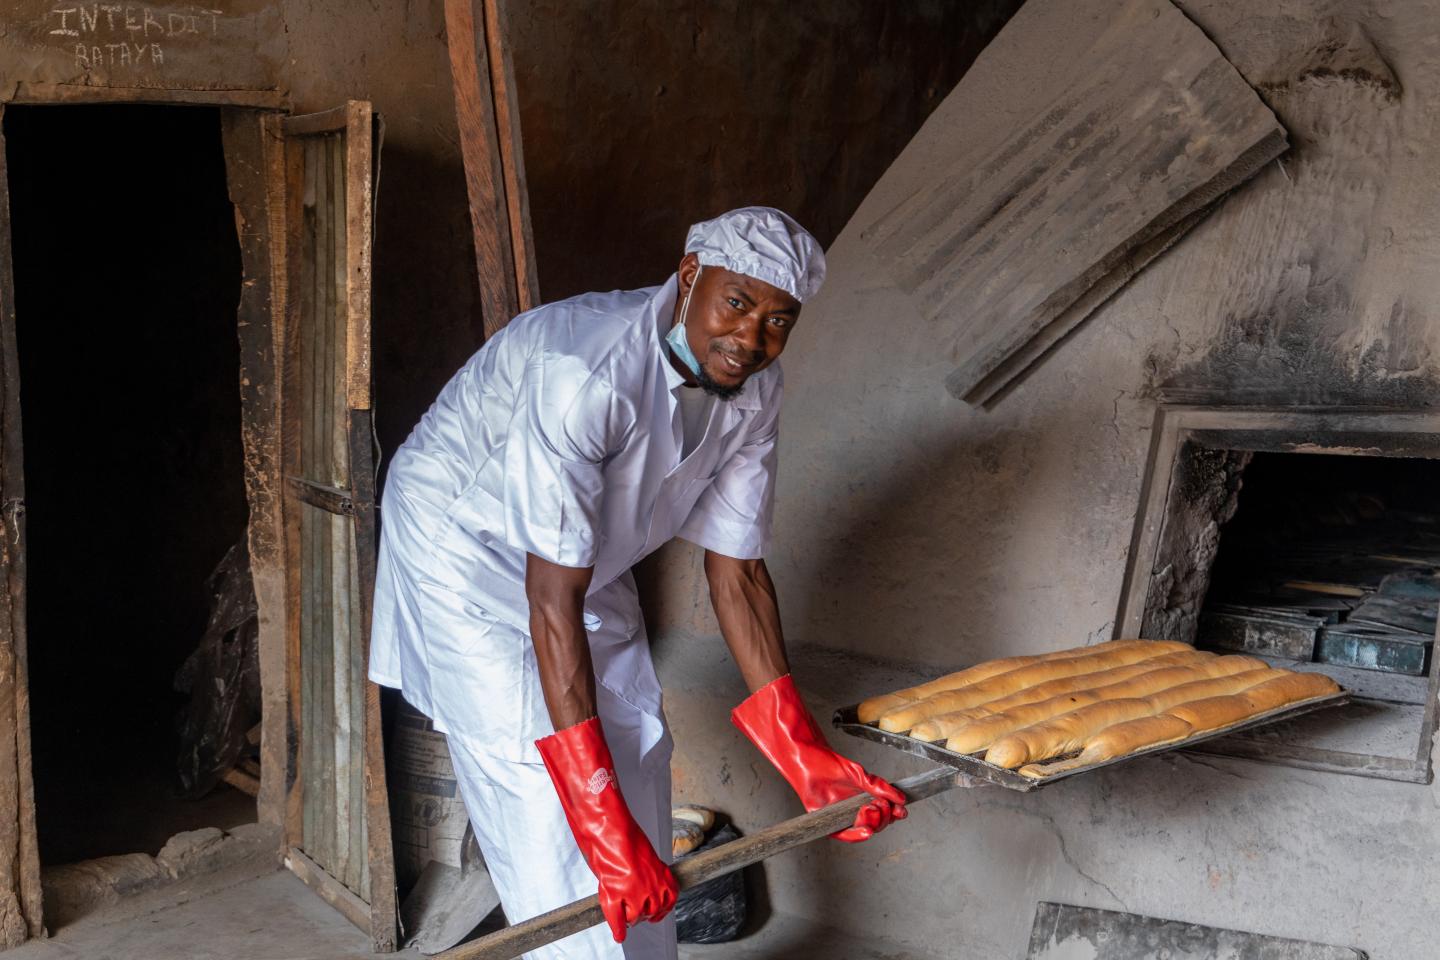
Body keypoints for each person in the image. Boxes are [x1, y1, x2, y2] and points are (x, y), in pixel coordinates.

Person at [368, 207, 907, 959]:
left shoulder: (757, 390)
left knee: (636, 737)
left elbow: (740, 573)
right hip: (465, 544)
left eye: (778, 319)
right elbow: (550, 602)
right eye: (738, 303)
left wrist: (804, 757)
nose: (751, 339)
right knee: (543, 783)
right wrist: (597, 822)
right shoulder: (584, 372)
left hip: (582, 551)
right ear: (691, 277)